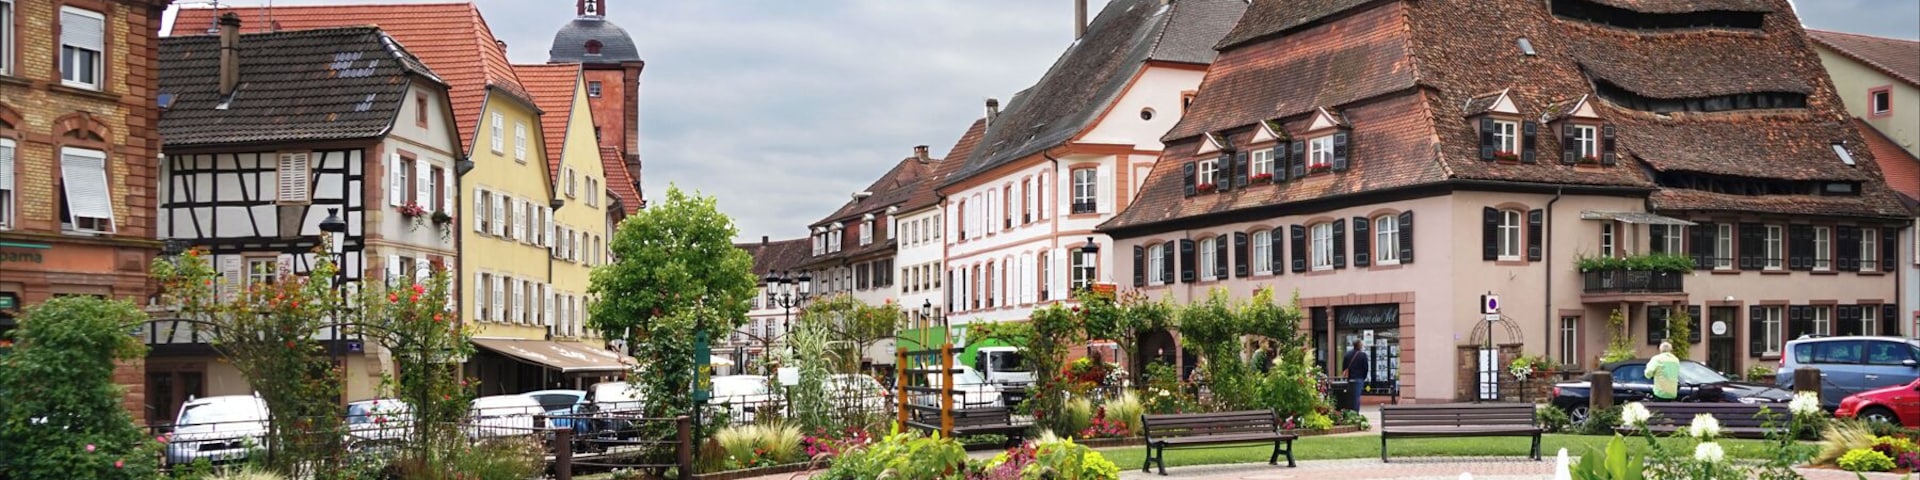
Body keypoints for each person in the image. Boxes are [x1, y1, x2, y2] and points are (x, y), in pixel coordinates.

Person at [1342, 340, 1370, 411]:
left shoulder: (1347, 354)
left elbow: (1344, 367)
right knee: (1356, 398)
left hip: (1349, 379)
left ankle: (1349, 413)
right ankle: (1355, 414)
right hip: (1358, 379)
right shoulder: (1363, 355)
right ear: (1359, 345)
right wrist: (1363, 377)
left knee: (1350, 397)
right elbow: (1366, 368)